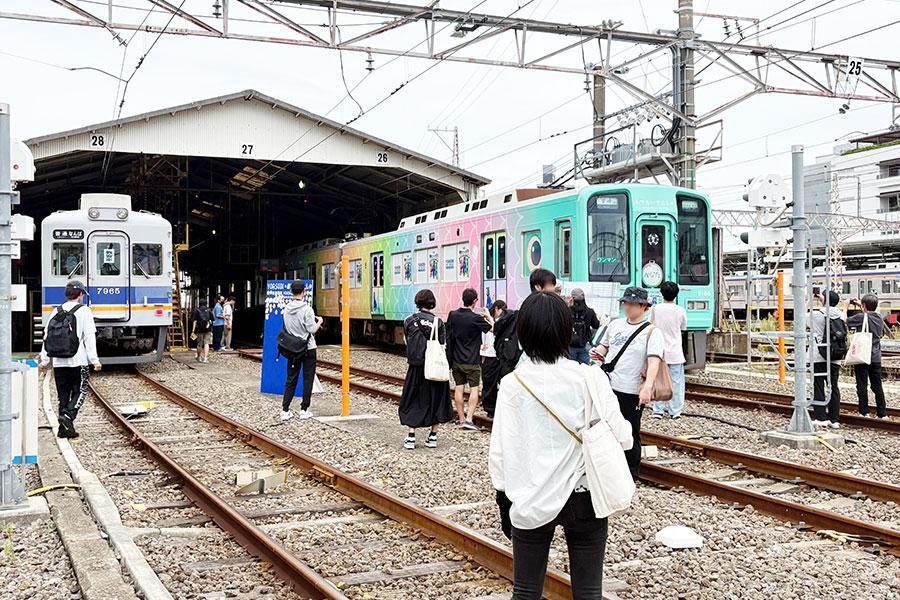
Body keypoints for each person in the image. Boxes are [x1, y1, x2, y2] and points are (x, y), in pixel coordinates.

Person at [489, 292, 632, 599]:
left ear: (523, 333)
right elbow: (624, 436)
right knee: (589, 592)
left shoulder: (514, 385)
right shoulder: (590, 378)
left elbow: (500, 451)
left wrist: (503, 500)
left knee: (526, 592)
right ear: (567, 331)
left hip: (531, 497)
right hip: (586, 497)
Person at [590, 287, 664, 480]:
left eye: (633, 304)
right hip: (609, 386)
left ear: (644, 307)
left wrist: (648, 386)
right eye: (626, 303)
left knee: (630, 430)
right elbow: (605, 346)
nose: (628, 308)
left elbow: (654, 361)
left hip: (632, 390)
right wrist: (598, 352)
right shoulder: (615, 325)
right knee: (606, 429)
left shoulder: (651, 332)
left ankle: (631, 473)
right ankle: (611, 470)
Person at [38, 281, 102, 439]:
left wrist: (44, 361)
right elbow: (89, 337)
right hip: (78, 360)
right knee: (81, 390)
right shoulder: (84, 311)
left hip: (59, 362)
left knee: (63, 395)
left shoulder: (55, 311)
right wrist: (94, 360)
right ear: (80, 295)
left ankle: (64, 429)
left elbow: (47, 337)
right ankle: (68, 417)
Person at [399, 289, 453, 449]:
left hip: (415, 368)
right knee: (435, 399)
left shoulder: (409, 320)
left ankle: (410, 436)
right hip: (433, 368)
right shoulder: (438, 322)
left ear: (417, 302)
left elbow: (407, 341)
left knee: (413, 399)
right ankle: (433, 436)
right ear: (432, 303)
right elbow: (443, 345)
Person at [493, 268, 559, 380]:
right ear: (538, 287)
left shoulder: (527, 306)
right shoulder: (535, 308)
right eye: (550, 285)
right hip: (531, 363)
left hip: (529, 362)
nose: (553, 288)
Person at [446, 288, 493, 429]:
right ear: (474, 301)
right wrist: (488, 316)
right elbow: (493, 328)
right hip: (472, 361)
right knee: (474, 389)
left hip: (457, 360)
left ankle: (461, 419)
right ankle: (469, 420)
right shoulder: (476, 318)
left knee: (459, 388)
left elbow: (449, 333)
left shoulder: (452, 315)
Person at [281, 281, 323, 421]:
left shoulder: (286, 309)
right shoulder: (307, 309)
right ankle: (304, 410)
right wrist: (319, 322)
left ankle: (285, 410)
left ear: (292, 292)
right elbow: (311, 329)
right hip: (308, 348)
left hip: (293, 348)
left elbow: (287, 327)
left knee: (291, 378)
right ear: (304, 292)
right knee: (308, 379)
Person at [848, 294, 889, 419]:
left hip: (862, 355)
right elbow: (869, 314)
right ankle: (882, 413)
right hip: (876, 357)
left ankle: (864, 411)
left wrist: (845, 308)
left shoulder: (861, 317)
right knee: (877, 385)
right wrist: (862, 304)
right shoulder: (879, 318)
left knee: (862, 384)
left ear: (864, 306)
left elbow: (845, 320)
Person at [650, 281, 687, 419]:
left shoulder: (656, 308)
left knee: (658, 380)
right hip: (676, 352)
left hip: (659, 351)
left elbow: (651, 325)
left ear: (661, 293)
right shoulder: (680, 310)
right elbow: (683, 328)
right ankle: (675, 411)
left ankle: (657, 411)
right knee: (676, 382)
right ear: (676, 295)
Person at [810, 289, 845, 428]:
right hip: (835, 356)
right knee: (833, 386)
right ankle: (835, 420)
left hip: (819, 355)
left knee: (818, 385)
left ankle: (821, 418)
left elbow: (801, 318)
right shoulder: (840, 315)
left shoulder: (817, 315)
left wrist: (810, 301)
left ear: (824, 300)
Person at [481, 300, 507, 418]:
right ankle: (490, 409)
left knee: (499, 383)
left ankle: (497, 407)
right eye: (502, 309)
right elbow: (492, 330)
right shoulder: (488, 321)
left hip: (498, 356)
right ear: (496, 308)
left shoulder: (502, 321)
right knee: (489, 384)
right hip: (489, 355)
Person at [569, 289, 600, 365]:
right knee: (584, 369)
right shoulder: (590, 312)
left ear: (572, 299)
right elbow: (596, 325)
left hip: (570, 345)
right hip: (584, 344)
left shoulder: (567, 311)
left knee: (571, 369)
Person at [191, 298, 213, 363]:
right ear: (206, 303)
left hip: (199, 329)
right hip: (208, 329)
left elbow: (194, 321)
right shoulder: (209, 310)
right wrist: (209, 325)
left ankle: (199, 357)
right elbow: (212, 320)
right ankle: (205, 358)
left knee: (199, 344)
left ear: (199, 303)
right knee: (206, 343)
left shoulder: (196, 310)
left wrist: (193, 330)